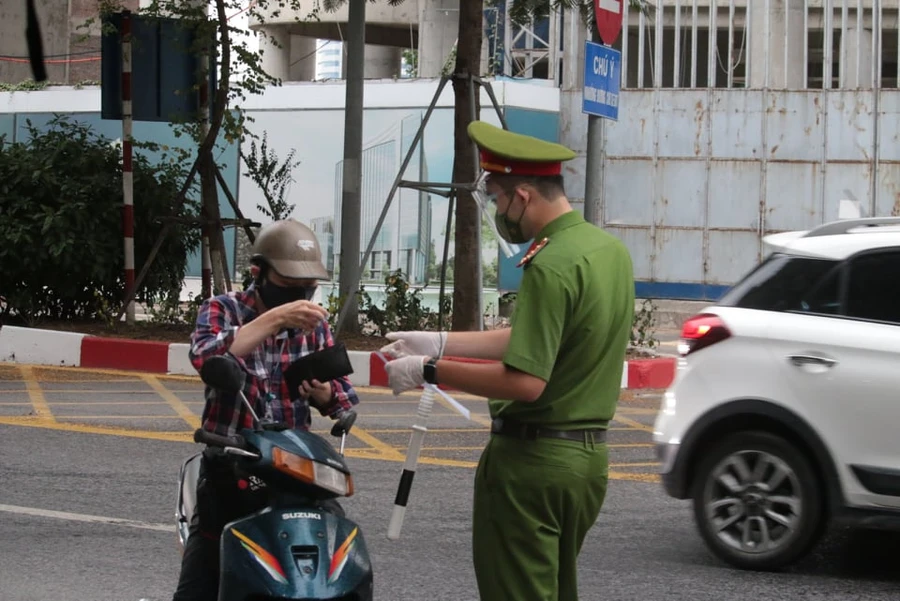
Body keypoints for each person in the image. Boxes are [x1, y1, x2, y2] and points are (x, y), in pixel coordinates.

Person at [381, 121, 635, 601]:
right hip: (585, 464)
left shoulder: (551, 263)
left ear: (523, 195)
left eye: (497, 199)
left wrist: (428, 372)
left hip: (531, 465)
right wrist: (438, 341)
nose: (498, 210)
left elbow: (525, 381)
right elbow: (531, 338)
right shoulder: (606, 252)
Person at [172, 219, 360, 601]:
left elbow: (341, 398)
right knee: (199, 583)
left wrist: (324, 394)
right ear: (258, 273)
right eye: (288, 287)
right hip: (232, 462)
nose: (300, 297)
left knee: (334, 568)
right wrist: (275, 318)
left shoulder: (313, 327)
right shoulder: (221, 310)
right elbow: (207, 357)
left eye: (307, 288)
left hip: (294, 468)